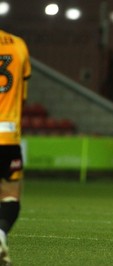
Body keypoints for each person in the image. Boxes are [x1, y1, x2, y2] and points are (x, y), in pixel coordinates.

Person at [0, 29, 31, 265]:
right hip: (7, 134)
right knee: (10, 195)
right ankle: (0, 235)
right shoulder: (18, 44)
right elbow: (22, 96)